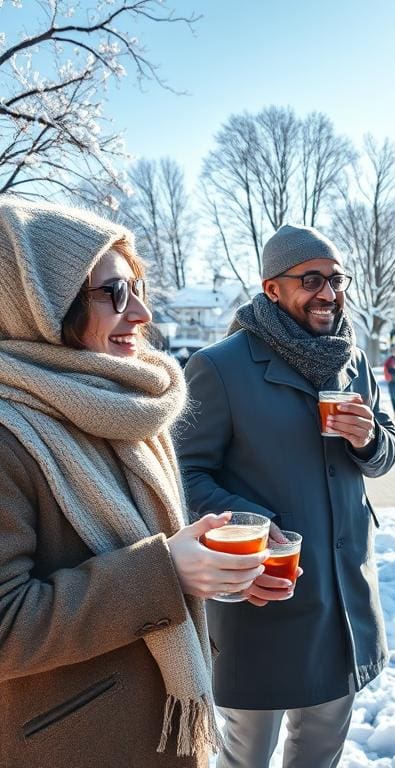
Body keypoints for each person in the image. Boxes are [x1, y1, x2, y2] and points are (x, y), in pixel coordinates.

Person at [0, 199, 270, 767]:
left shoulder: (129, 403)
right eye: (115, 293)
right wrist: (164, 570)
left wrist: (209, 568)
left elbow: (146, 550)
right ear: (39, 306)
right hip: (74, 745)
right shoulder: (8, 433)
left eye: (138, 287)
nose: (142, 313)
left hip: (164, 729)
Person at [175, 223, 395, 768]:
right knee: (246, 751)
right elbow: (181, 474)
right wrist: (250, 523)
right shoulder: (219, 367)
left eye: (337, 280)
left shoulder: (352, 359)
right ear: (272, 288)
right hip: (262, 591)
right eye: (311, 280)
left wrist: (369, 438)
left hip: (343, 591)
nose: (328, 293)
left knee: (321, 747)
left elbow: (389, 447)